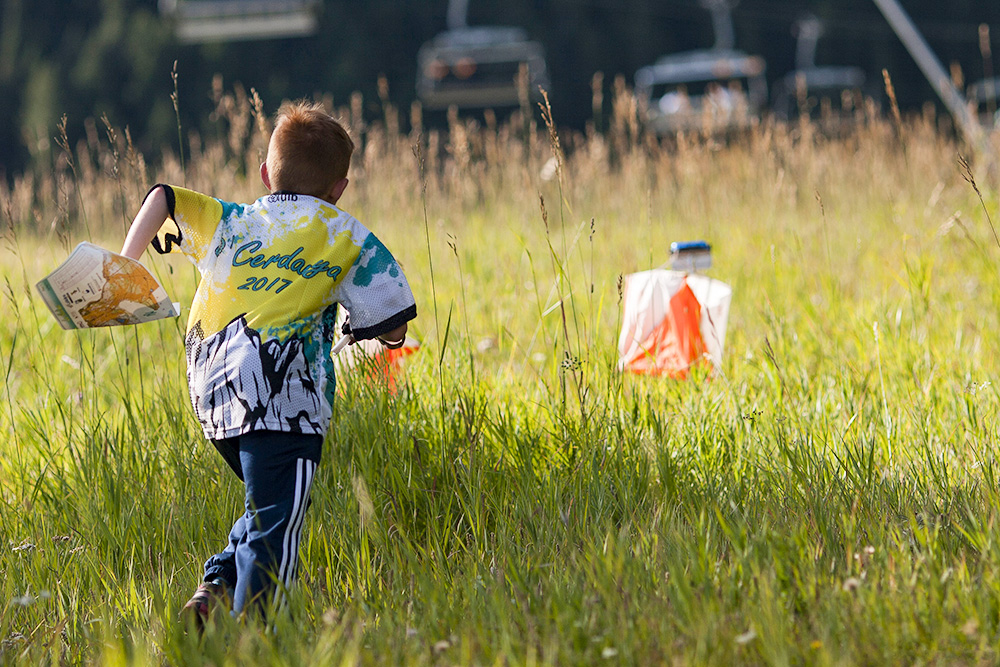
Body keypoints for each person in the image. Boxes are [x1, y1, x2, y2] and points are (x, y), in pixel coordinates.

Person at [120, 100, 417, 623]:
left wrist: (126, 264)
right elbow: (393, 325)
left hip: (215, 398)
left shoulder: (234, 219)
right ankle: (257, 636)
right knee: (278, 525)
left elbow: (163, 196)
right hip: (285, 404)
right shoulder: (343, 233)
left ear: (264, 174)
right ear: (338, 189)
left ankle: (215, 589)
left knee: (266, 503)